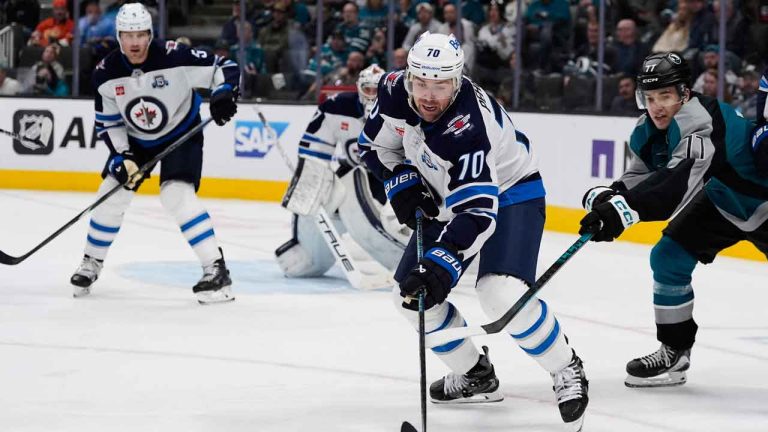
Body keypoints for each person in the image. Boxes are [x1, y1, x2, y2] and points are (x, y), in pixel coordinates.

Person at [359, 32, 589, 430]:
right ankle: (475, 374)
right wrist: (401, 182)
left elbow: (478, 213)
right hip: (444, 190)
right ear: (409, 75)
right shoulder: (394, 89)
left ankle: (565, 367)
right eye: (422, 83)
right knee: (410, 298)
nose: (429, 95)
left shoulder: (467, 129)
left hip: (510, 191)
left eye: (441, 85)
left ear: (458, 80)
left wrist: (441, 264)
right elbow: (374, 147)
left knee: (499, 292)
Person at [579, 52, 768, 388]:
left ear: (685, 93)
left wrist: (623, 212)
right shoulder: (647, 129)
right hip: (724, 200)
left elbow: (677, 185)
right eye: (649, 98)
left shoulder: (702, 121)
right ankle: (675, 351)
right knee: (668, 258)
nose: (657, 107)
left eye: (665, 96)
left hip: (764, 203)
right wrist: (611, 196)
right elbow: (639, 176)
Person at [69, 3, 240, 304]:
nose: (134, 43)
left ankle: (216, 269)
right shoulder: (106, 74)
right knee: (111, 193)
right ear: (118, 36)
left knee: (176, 194)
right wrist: (122, 155)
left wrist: (223, 91)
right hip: (136, 142)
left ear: (150, 34)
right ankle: (91, 262)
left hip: (181, 133)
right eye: (127, 35)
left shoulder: (175, 56)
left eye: (140, 35)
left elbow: (224, 67)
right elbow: (109, 123)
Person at [277, 64, 410, 278]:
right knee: (328, 200)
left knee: (400, 216)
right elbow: (313, 149)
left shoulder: (402, 109)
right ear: (358, 88)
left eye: (378, 91)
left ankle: (412, 257)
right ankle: (309, 248)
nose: (373, 96)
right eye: (368, 90)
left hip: (392, 174)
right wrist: (312, 179)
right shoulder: (336, 107)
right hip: (355, 170)